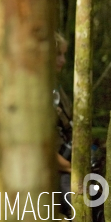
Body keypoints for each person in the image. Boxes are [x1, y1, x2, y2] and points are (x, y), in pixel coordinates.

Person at [53, 32, 72, 218]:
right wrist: (73, 169)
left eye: (64, 54)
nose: (63, 60)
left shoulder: (56, 88)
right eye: (58, 54)